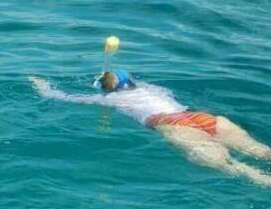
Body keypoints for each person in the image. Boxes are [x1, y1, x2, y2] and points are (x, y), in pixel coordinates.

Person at [30, 69, 271, 187]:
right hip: (200, 117)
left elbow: (61, 97)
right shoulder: (153, 88)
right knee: (261, 151)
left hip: (170, 124)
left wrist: (40, 84)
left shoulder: (108, 99)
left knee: (235, 167)